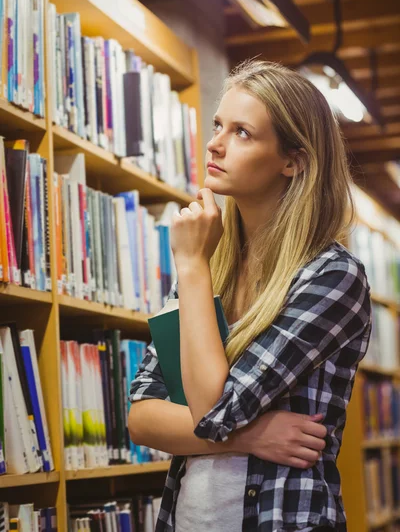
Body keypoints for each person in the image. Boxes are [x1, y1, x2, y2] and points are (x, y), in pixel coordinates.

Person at [128, 60, 372, 532]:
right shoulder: (210, 265)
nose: (216, 143)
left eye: (242, 132)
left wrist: (192, 267)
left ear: (293, 160)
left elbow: (214, 412)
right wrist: (255, 434)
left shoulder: (332, 277)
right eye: (219, 125)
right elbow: (142, 417)